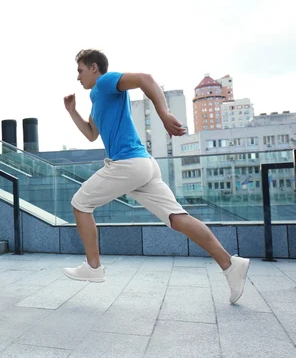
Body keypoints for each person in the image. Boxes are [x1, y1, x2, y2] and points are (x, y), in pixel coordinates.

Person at [62, 49, 250, 304]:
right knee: (177, 218)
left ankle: (93, 266)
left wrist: (163, 115)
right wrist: (72, 111)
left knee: (80, 204)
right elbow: (91, 134)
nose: (78, 77)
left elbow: (145, 79)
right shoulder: (98, 101)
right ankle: (230, 265)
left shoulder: (105, 82)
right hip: (144, 165)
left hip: (127, 163)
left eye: (80, 70)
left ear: (94, 68)